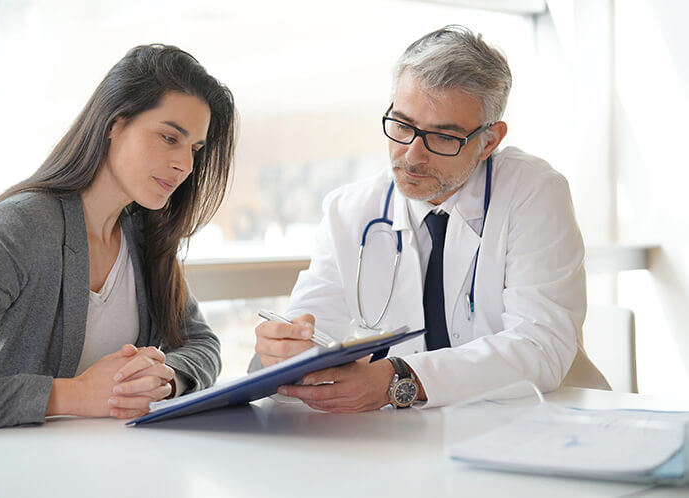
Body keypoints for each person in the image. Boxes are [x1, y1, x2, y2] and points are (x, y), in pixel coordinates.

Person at [253, 25, 609, 413]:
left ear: (489, 140)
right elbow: (310, 329)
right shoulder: (349, 211)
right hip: (411, 438)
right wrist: (284, 349)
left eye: (443, 137)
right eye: (403, 126)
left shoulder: (533, 192)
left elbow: (540, 346)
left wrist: (398, 378)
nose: (412, 156)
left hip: (543, 425)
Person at [0, 44, 237, 432]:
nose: (185, 164)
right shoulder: (26, 228)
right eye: (169, 138)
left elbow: (203, 345)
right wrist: (74, 394)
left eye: (195, 149)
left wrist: (163, 379)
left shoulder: (143, 233)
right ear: (114, 124)